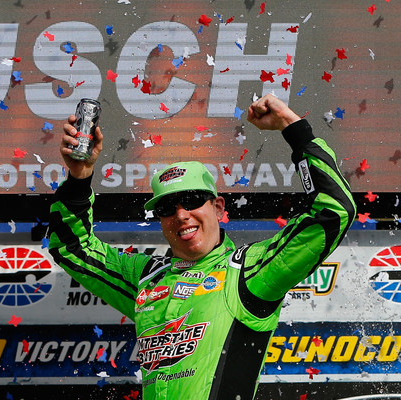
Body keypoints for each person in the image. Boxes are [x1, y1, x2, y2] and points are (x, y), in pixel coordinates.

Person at [48, 94, 356, 400]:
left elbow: (334, 210)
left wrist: (292, 125)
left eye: (193, 200)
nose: (181, 215)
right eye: (167, 207)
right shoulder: (145, 278)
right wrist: (79, 178)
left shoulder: (249, 270)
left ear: (219, 207)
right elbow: (72, 248)